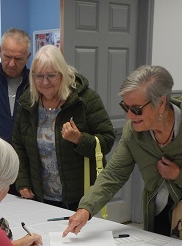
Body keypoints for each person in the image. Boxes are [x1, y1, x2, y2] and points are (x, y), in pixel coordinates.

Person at [63, 65, 182, 237]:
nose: (129, 116)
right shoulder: (133, 133)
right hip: (159, 214)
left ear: (161, 103)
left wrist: (180, 175)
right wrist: (85, 209)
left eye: (137, 109)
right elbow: (113, 175)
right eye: (126, 107)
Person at [13, 44, 115, 211]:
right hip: (40, 197)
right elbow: (19, 146)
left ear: (63, 73)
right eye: (38, 76)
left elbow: (107, 140)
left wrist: (80, 140)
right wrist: (22, 181)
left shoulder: (86, 99)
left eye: (51, 76)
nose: (44, 82)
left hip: (80, 198)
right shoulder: (28, 103)